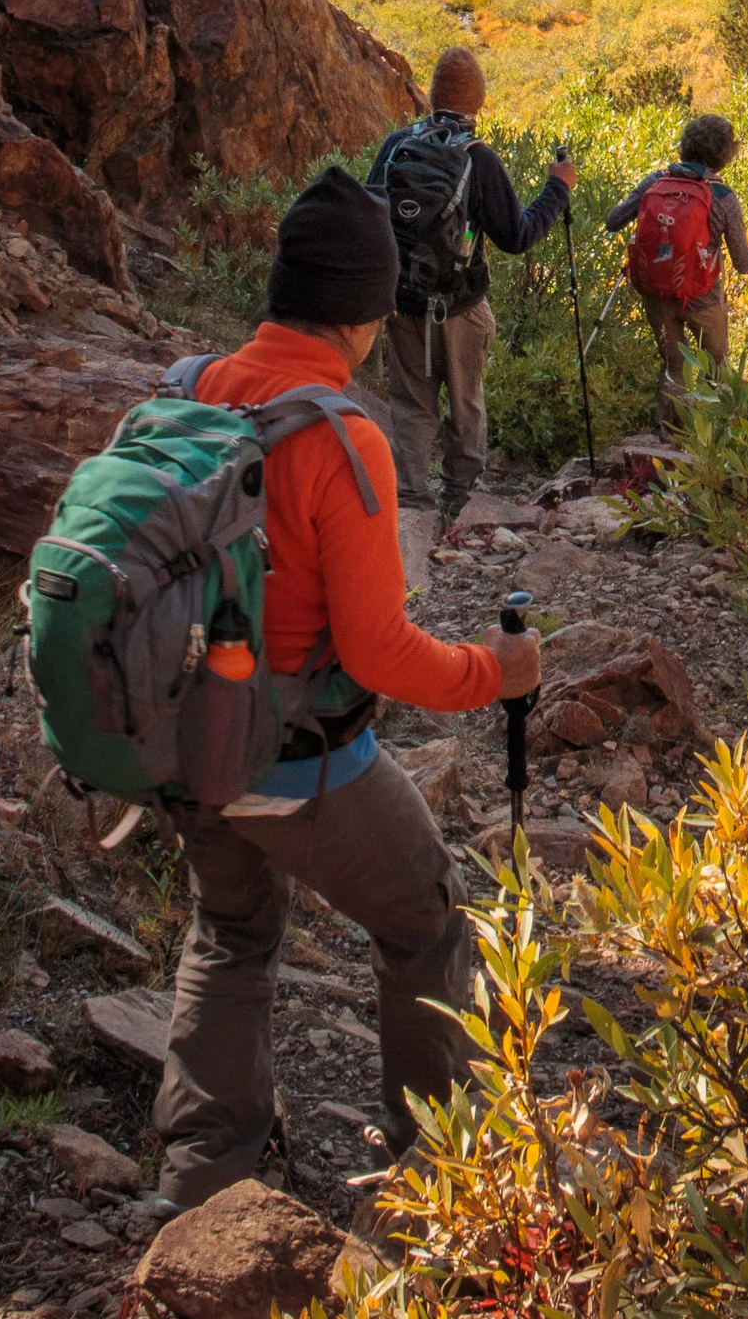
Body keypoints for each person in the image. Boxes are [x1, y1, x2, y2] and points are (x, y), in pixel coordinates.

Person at [151, 163, 542, 1210]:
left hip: (181, 743)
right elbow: (379, 656)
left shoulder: (187, 387)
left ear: (281, 285)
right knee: (424, 918)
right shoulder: (338, 433)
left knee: (230, 933)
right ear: (370, 306)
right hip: (294, 756)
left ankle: (202, 1181)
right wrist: (493, 673)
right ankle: (438, 1176)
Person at [368, 48, 575, 547]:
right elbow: (517, 236)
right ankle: (461, 507)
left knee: (410, 405)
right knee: (466, 407)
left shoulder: (397, 147)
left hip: (403, 304)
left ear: (433, 96)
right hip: (460, 308)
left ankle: (411, 510)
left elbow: (370, 215)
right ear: (478, 100)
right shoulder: (477, 157)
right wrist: (557, 188)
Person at [605, 110, 748, 430]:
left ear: (686, 145)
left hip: (656, 293)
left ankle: (666, 442)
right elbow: (743, 262)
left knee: (674, 366)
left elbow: (614, 219)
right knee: (716, 369)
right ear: (724, 154)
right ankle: (717, 442)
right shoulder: (722, 197)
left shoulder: (656, 181)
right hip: (702, 297)